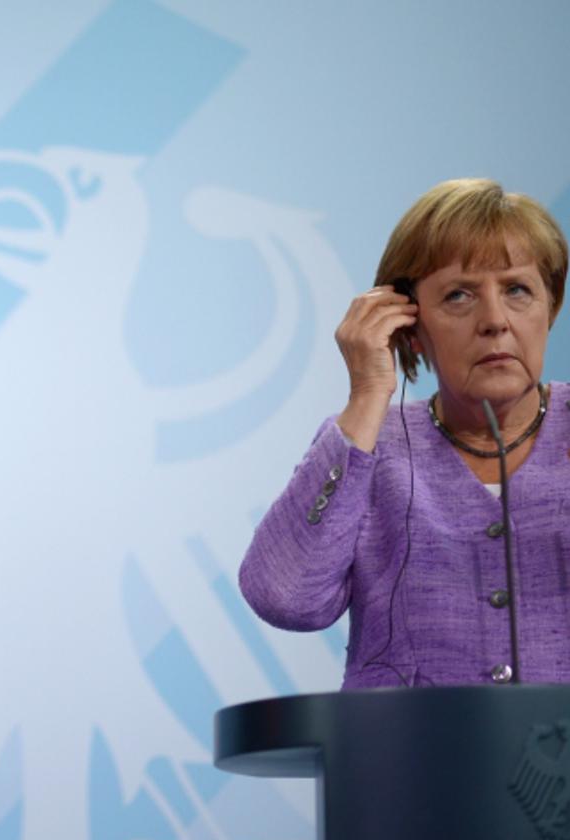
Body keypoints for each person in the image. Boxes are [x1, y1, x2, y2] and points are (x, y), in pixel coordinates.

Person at [240, 178, 570, 688]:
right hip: (404, 741)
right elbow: (285, 599)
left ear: (550, 308)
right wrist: (368, 392)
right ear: (409, 328)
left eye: (517, 290)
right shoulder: (368, 444)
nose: (495, 321)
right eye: (459, 295)